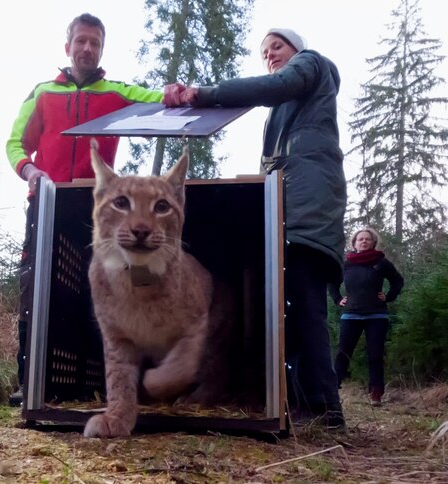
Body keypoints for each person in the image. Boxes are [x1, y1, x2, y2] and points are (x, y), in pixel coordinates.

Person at [163, 28, 347, 428]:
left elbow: (275, 85)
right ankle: (300, 402)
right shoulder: (284, 114)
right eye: (264, 52)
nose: (270, 56)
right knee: (293, 309)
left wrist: (203, 93)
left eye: (277, 47)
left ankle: (325, 408)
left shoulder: (310, 65)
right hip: (292, 211)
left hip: (307, 212)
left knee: (306, 305)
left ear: (297, 49)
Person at [5, 13, 163, 406]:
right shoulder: (43, 93)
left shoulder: (117, 93)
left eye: (95, 42)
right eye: (81, 41)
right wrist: (31, 171)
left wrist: (182, 93)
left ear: (101, 49)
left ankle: (104, 384)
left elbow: (160, 99)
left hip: (101, 211)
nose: (87, 48)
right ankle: (29, 383)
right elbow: (14, 144)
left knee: (109, 288)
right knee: (38, 285)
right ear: (68, 47)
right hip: (48, 201)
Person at [328, 227, 404, 406]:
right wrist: (338, 299)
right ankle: (333, 391)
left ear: (373, 243)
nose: (363, 241)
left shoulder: (381, 262)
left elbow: (398, 280)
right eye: (360, 239)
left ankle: (376, 394)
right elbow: (332, 282)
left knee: (375, 354)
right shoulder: (346, 263)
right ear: (354, 243)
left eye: (367, 239)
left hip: (376, 315)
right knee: (343, 353)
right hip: (351, 314)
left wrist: (389, 296)